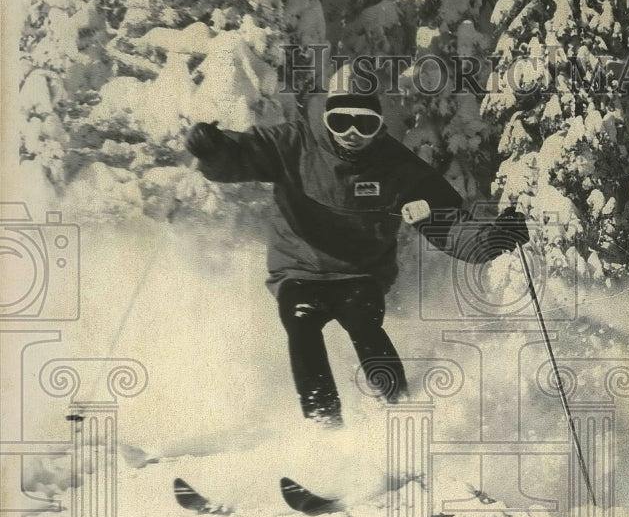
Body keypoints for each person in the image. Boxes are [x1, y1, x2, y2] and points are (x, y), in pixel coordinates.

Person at [186, 75, 528, 427]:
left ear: (377, 127)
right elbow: (241, 156)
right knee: (301, 324)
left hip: (360, 271)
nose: (351, 132)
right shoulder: (294, 144)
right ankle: (325, 422)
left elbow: (444, 219)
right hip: (299, 267)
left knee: (363, 323)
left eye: (364, 124)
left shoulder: (395, 166)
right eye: (341, 121)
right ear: (326, 120)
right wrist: (214, 149)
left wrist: (490, 242)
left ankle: (397, 405)